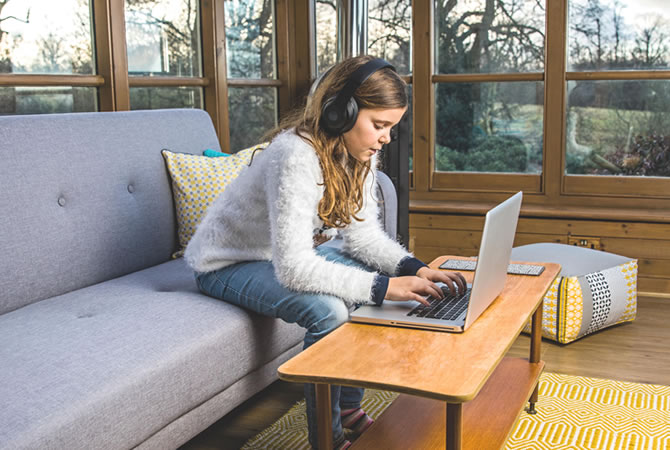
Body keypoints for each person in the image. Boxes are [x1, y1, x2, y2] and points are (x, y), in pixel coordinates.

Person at [184, 55, 466, 449]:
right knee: (331, 310)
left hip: (273, 257)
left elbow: (363, 238)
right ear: (340, 111)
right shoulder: (294, 155)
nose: (386, 137)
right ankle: (327, 439)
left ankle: (349, 409)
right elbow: (296, 269)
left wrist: (414, 269)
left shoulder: (359, 154)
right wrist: (386, 287)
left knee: (369, 291)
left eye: (391, 127)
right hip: (227, 262)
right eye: (379, 125)